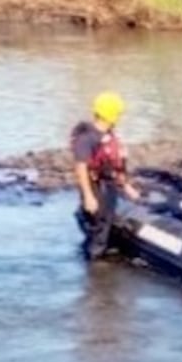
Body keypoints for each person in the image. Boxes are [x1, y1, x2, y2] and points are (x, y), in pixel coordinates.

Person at [71, 91, 141, 261]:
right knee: (99, 225)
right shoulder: (86, 138)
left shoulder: (109, 135)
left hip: (108, 185)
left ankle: (100, 253)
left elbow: (113, 165)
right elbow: (81, 167)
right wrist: (88, 196)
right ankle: (95, 267)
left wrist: (126, 187)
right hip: (95, 186)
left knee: (106, 222)